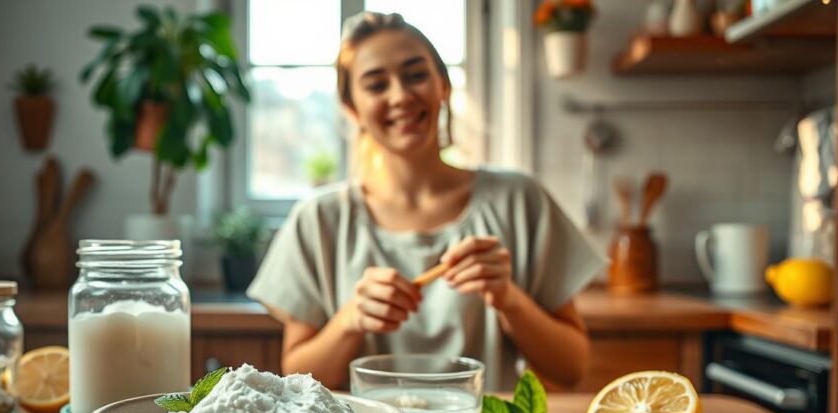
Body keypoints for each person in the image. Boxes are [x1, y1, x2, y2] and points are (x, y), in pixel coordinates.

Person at [247, 12, 606, 392]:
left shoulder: (520, 201)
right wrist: (351, 320)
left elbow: (572, 368)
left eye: (415, 75)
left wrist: (509, 299)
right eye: (376, 84)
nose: (401, 96)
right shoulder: (318, 220)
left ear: (444, 85)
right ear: (352, 107)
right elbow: (298, 377)